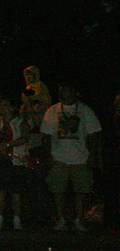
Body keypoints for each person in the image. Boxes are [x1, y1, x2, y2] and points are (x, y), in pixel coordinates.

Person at [40, 83, 102, 232]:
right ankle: (60, 218)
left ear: (74, 92)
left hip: (80, 158)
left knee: (81, 190)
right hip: (58, 157)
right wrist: (48, 156)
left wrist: (93, 155)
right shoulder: (52, 111)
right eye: (62, 92)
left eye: (68, 91)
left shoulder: (85, 110)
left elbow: (94, 134)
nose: (65, 95)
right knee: (57, 190)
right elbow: (46, 136)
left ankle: (78, 219)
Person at [0, 99, 31, 230]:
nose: (2, 107)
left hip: (15, 160)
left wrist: (8, 145)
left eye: (5, 105)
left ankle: (16, 218)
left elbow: (25, 137)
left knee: (15, 191)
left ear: (12, 108)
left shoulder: (20, 122)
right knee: (0, 189)